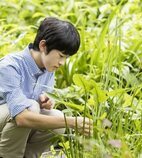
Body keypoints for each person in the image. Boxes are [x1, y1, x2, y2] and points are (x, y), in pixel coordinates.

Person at [0, 17, 93, 158]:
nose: (62, 63)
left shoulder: (48, 67)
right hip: (9, 123)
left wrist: (46, 102)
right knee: (32, 107)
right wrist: (72, 122)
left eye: (66, 58)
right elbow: (21, 118)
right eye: (61, 56)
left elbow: (43, 106)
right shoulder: (10, 66)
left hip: (16, 129)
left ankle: (30, 155)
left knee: (57, 117)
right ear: (43, 46)